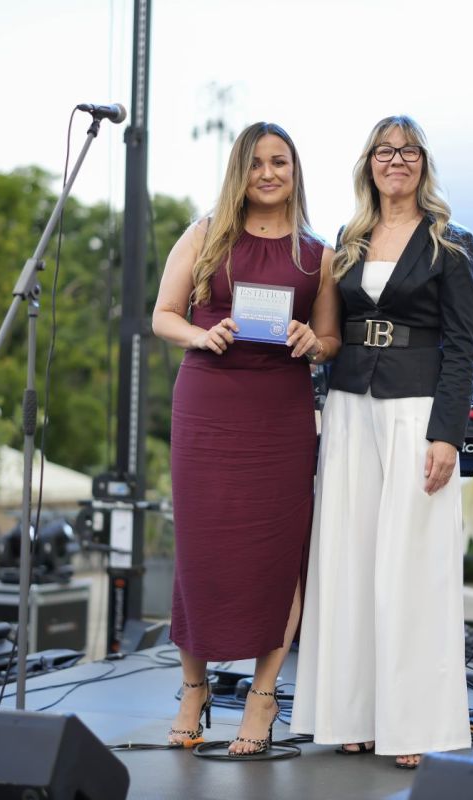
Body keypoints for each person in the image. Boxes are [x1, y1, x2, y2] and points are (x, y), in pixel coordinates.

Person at [290, 115, 473, 769]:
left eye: (408, 150)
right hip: (348, 406)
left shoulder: (452, 242)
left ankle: (415, 724)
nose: (396, 160)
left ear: (423, 163)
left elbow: (463, 347)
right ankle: (353, 715)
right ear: (368, 163)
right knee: (348, 558)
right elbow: (331, 326)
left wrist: (446, 435)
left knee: (413, 563)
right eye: (384, 150)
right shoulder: (348, 239)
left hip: (416, 411)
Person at [152, 121, 339, 755]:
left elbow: (330, 338)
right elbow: (163, 315)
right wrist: (200, 335)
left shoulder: (318, 254)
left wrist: (315, 342)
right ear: (240, 170)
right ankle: (193, 689)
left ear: (295, 170)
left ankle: (263, 697)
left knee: (279, 553)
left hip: (280, 413)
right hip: (208, 404)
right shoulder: (204, 234)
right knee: (199, 550)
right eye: (256, 162)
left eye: (279, 161)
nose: (268, 172)